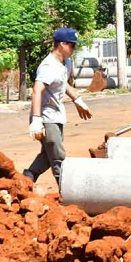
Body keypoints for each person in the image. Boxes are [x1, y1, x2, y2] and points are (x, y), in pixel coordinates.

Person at [23, 28, 93, 186]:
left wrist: (77, 100)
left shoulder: (65, 63)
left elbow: (63, 84)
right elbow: (36, 90)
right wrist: (36, 120)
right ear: (62, 44)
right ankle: (66, 190)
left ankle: (27, 178)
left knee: (48, 154)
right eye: (72, 46)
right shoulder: (48, 66)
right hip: (45, 117)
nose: (74, 49)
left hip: (57, 115)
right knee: (57, 156)